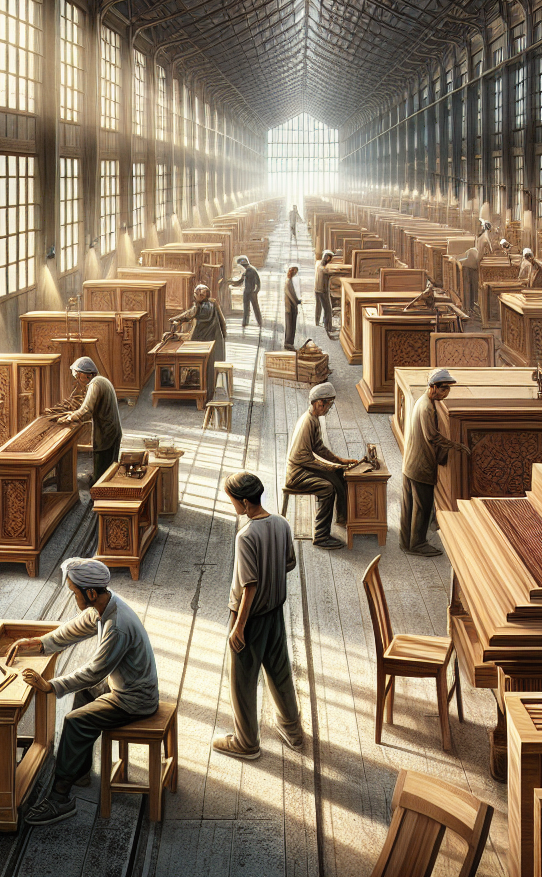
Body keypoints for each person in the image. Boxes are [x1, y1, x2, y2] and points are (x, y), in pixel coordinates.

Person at [8, 558, 160, 826]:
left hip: (134, 699)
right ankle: (78, 770)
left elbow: (95, 671)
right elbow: (73, 630)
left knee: (75, 721)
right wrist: (37, 643)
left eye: (74, 592)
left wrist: (50, 686)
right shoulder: (104, 604)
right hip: (123, 686)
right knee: (84, 696)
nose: (72, 597)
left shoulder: (118, 625)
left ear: (90, 593)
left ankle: (60, 799)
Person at [213, 472, 303, 761]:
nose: (232, 505)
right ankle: (293, 730)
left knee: (242, 681)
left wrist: (238, 627)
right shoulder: (281, 524)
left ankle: (246, 742)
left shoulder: (246, 535)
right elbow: (289, 563)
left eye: (232, 500)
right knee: (280, 672)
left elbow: (248, 587)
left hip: (250, 619)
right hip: (275, 613)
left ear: (243, 501)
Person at [400, 370, 471, 556]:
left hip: (411, 463)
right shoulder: (426, 407)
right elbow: (431, 436)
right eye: (443, 389)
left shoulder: (425, 402)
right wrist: (456, 445)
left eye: (448, 389)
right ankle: (418, 544)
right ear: (433, 388)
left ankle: (406, 543)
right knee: (422, 506)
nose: (446, 393)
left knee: (409, 505)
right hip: (420, 465)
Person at [284, 382, 358, 549]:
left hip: (303, 468)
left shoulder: (314, 419)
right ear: (319, 403)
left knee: (339, 474)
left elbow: (318, 447)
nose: (328, 409)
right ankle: (321, 536)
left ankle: (342, 518)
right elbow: (303, 459)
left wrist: (339, 461)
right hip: (296, 474)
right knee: (327, 488)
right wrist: (328, 467)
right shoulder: (307, 422)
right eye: (328, 405)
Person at [59, 357, 122, 482]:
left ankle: (97, 498)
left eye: (78, 375)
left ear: (87, 375)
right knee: (110, 469)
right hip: (112, 432)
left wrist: (70, 417)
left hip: (106, 435)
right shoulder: (102, 381)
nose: (77, 378)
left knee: (102, 471)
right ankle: (103, 494)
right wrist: (74, 414)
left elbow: (87, 410)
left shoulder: (95, 384)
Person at [171, 283, 227, 400]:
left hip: (201, 340)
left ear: (201, 296)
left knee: (195, 362)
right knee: (210, 366)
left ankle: (194, 389)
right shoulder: (213, 303)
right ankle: (210, 390)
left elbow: (188, 315)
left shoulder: (198, 307)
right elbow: (223, 321)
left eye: (196, 294)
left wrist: (175, 319)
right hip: (215, 340)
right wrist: (224, 335)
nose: (194, 296)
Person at [230, 255, 262, 330]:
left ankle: (257, 322)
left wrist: (256, 291)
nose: (241, 267)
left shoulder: (250, 270)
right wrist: (232, 283)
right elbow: (241, 281)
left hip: (251, 292)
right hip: (248, 291)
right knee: (247, 307)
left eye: (241, 265)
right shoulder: (247, 270)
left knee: (254, 307)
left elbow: (257, 282)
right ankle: (246, 322)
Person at [314, 251, 336, 335]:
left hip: (316, 289)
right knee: (328, 309)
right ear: (327, 258)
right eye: (330, 259)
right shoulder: (324, 268)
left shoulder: (317, 263)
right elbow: (328, 271)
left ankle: (317, 321)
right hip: (323, 290)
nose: (330, 261)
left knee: (318, 306)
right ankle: (328, 327)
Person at [284, 265, 301, 351]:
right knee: (290, 325)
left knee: (292, 324)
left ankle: (290, 342)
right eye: (295, 272)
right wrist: (296, 301)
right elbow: (290, 295)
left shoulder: (290, 281)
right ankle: (288, 343)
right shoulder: (288, 282)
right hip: (290, 307)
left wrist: (297, 300)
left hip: (292, 306)